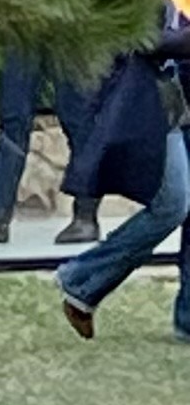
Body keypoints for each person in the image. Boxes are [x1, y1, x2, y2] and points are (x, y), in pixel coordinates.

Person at [53, 21, 190, 339]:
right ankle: (82, 277)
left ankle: (187, 319)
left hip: (177, 98)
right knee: (172, 204)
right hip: (155, 99)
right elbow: (134, 33)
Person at [0, 48, 104, 247]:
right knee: (13, 117)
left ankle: (86, 216)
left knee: (78, 121)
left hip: (69, 30)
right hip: (24, 30)